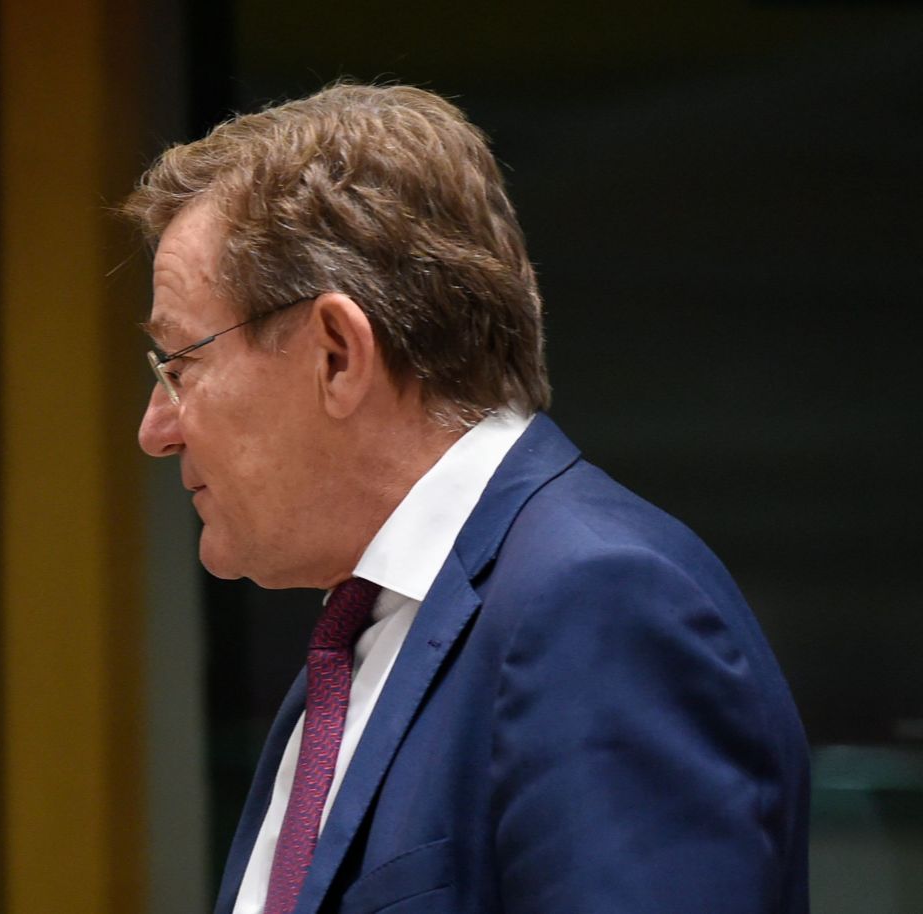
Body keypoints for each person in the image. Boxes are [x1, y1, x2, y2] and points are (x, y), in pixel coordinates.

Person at [126, 84, 808, 914]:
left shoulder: (599, 604)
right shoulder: (367, 633)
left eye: (179, 364)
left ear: (337, 354)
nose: (156, 429)